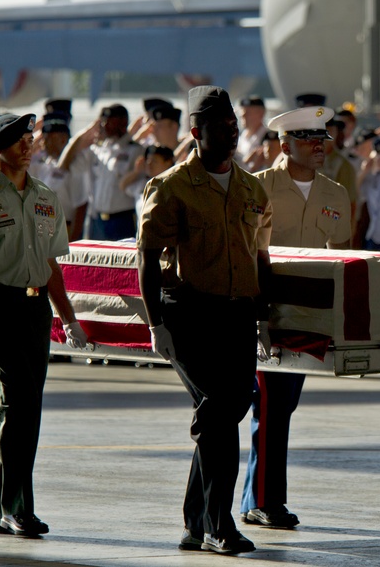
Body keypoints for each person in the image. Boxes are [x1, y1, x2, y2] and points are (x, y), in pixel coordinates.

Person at [138, 86, 271, 555]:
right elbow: (148, 259)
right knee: (220, 410)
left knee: (223, 412)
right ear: (196, 133)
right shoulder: (171, 186)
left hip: (238, 315)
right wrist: (155, 324)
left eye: (234, 127)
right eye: (220, 128)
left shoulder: (252, 187)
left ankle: (197, 523)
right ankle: (219, 525)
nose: (231, 135)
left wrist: (267, 316)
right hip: (190, 314)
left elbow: (262, 255)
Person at [0, 113, 88, 538]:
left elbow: (50, 264)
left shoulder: (45, 196)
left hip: (35, 311)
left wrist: (69, 319)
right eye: (17, 140)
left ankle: (8, 504)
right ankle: (14, 508)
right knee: (19, 404)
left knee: (26, 410)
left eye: (30, 138)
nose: (28, 146)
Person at [240, 105, 352, 530]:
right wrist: (258, 315)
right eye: (308, 139)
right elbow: (250, 252)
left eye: (322, 139)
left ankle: (257, 497)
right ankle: (266, 501)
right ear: (284, 144)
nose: (319, 146)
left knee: (281, 405)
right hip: (266, 310)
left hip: (311, 314)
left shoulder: (335, 192)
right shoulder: (257, 187)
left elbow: (341, 256)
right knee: (268, 404)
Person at [59, 104, 145, 240]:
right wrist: (84, 133)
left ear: (122, 122)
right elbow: (64, 165)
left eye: (109, 121)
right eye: (102, 121)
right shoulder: (97, 151)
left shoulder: (135, 151)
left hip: (122, 220)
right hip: (97, 221)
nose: (104, 125)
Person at [30, 110, 89, 241]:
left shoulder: (75, 167)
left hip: (63, 229)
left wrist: (73, 241)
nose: (43, 143)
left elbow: (81, 206)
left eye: (48, 139)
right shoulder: (44, 164)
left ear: (62, 140)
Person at [236, 96, 268, 172]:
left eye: (247, 112)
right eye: (242, 112)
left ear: (261, 114)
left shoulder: (268, 137)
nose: (242, 115)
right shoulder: (241, 137)